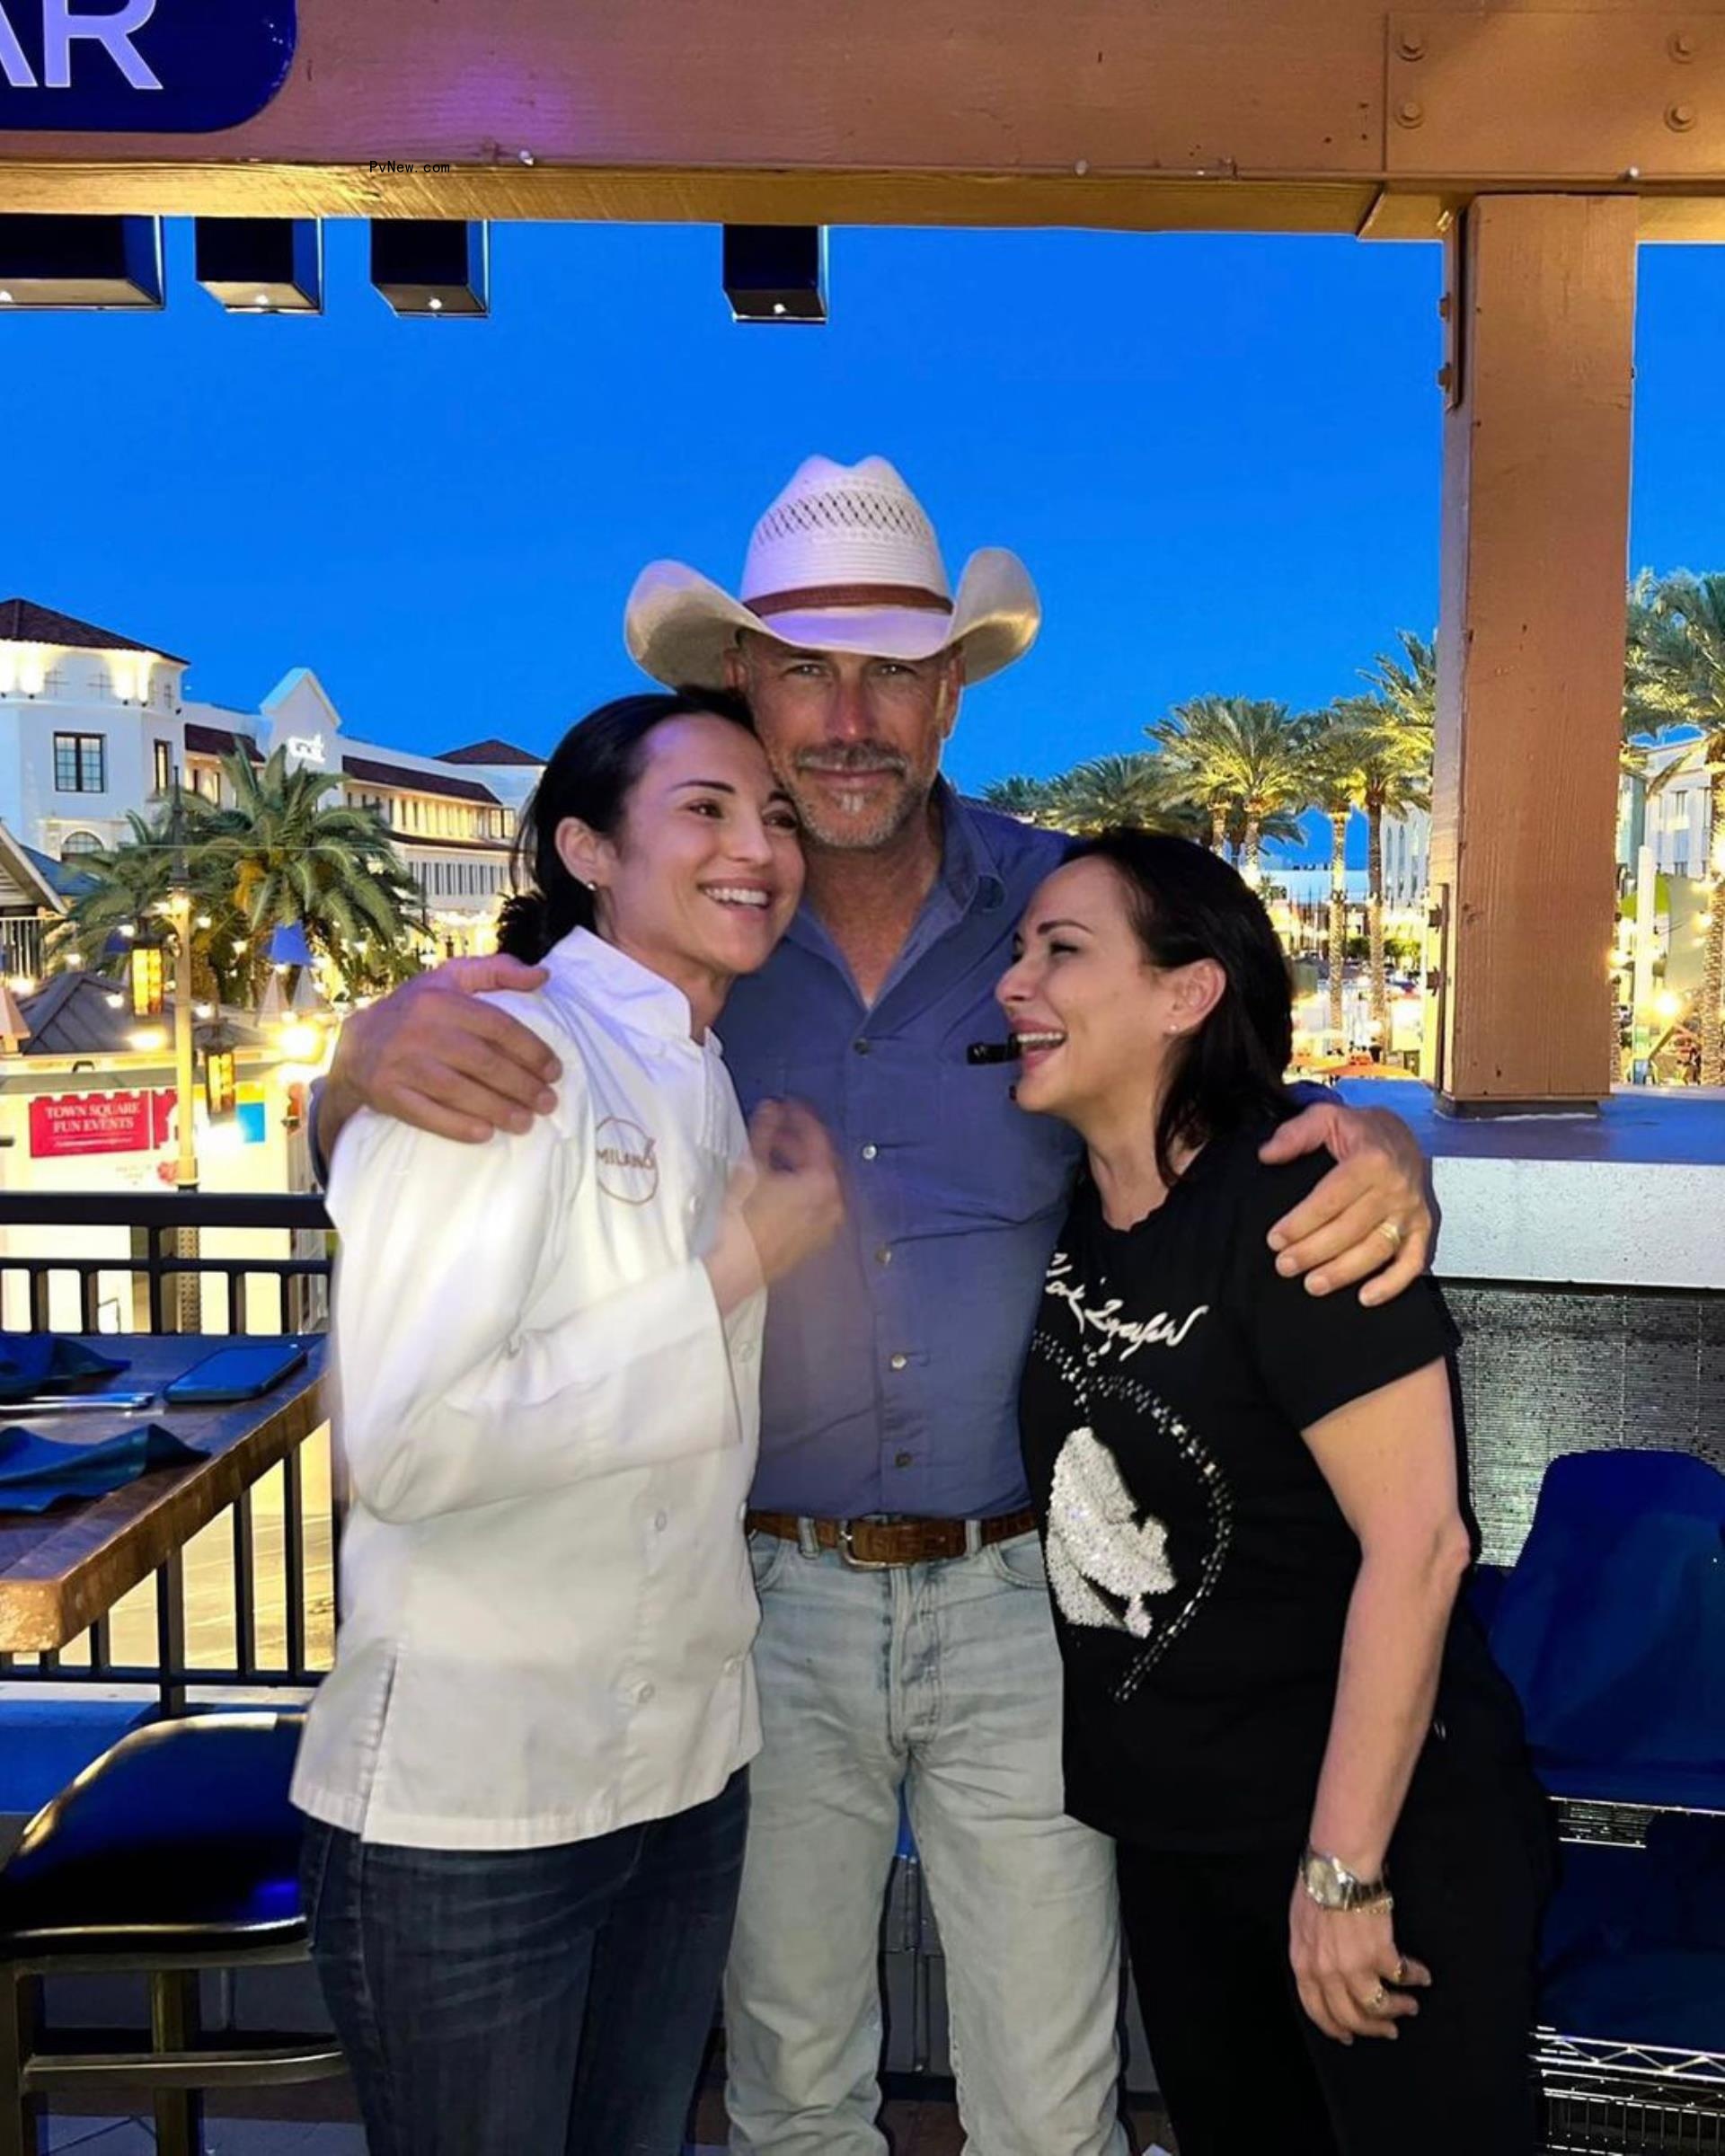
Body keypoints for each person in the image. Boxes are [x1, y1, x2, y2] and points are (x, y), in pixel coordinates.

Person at [312, 457, 1436, 2156]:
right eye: (804, 671)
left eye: (896, 673)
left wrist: (1377, 1132)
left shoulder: (1055, 910)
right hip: (759, 1599)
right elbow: (453, 1110)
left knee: (1052, 2096)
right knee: (790, 2091)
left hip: (1024, 1600)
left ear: (953, 694)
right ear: (742, 685)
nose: (848, 721)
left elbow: (1212, 1078)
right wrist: (347, 1074)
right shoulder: (668, 942)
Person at [292, 691, 843, 2156]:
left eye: (775, 816)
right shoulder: (496, 1047)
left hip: (681, 1780)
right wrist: (735, 1270)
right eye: (705, 809)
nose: (758, 847)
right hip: (474, 1801)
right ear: (589, 850)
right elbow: (405, 1443)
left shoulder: (701, 1070)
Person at [1003, 831, 1551, 2156]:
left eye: (1061, 952)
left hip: (1371, 1832)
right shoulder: (1077, 1210)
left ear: (1188, 992)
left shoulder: (1302, 1206)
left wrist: (1344, 1872)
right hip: (1179, 1832)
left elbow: (1421, 1545)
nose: (1014, 985)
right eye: (1017, 951)